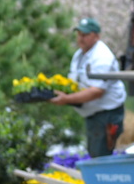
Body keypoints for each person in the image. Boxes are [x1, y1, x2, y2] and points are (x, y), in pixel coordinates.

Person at [51, 17, 127, 158]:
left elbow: (96, 92)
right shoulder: (80, 55)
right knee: (95, 153)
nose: (81, 38)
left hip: (106, 113)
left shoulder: (102, 56)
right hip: (93, 112)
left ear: (96, 36)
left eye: (85, 35)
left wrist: (67, 99)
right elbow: (74, 83)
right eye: (79, 34)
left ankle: (104, 179)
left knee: (101, 156)